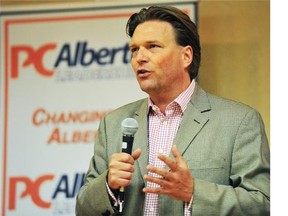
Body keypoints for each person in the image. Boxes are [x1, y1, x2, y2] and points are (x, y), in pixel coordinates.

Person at [76, 5, 270, 216]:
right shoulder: (113, 123)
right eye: (134, 49)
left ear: (186, 56)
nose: (140, 57)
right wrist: (108, 186)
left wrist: (194, 192)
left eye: (153, 46)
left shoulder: (238, 121)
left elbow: (263, 203)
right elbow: (83, 208)